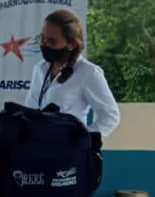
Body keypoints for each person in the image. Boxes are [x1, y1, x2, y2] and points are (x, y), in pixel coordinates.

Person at [24, 9, 120, 137]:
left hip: (68, 147)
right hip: (38, 144)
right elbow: (30, 109)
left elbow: (110, 116)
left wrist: (82, 140)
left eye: (52, 41)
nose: (45, 44)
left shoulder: (88, 72)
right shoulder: (39, 69)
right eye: (42, 39)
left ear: (71, 44)